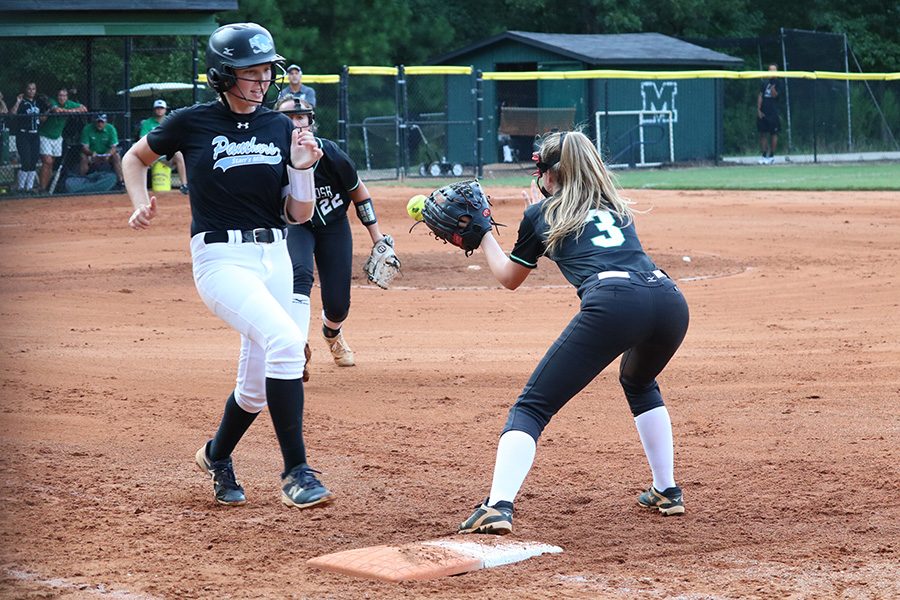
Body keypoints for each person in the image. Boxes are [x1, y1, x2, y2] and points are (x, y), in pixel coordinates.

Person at [122, 22, 333, 510]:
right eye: (249, 72)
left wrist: (302, 169)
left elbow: (299, 215)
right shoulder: (189, 122)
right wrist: (139, 200)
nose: (261, 82)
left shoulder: (280, 127)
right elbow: (135, 158)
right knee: (286, 343)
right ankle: (296, 473)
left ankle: (217, 455)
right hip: (220, 259)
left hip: (274, 254)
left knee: (257, 388)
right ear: (221, 76)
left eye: (265, 72)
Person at [456, 130, 690, 535]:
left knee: (531, 408)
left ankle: (497, 505)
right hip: (668, 299)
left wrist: (484, 234)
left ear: (548, 174)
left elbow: (510, 277)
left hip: (616, 302)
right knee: (638, 380)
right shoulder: (616, 207)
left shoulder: (541, 214)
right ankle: (666, 490)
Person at [275, 96, 397, 374]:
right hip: (296, 226)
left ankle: (332, 335)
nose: (295, 123)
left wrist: (377, 237)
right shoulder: (276, 157)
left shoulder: (332, 155)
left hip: (334, 227)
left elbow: (359, 195)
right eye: (288, 118)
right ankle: (295, 348)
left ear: (310, 122)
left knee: (338, 304)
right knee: (299, 275)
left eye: (300, 117)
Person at [38, 88, 87, 192]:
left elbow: (83, 109)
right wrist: (72, 111)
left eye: (64, 96)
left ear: (67, 97)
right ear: (57, 96)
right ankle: (41, 188)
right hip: (45, 135)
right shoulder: (52, 101)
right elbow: (57, 110)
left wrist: (71, 110)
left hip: (57, 137)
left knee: (51, 163)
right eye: (60, 95)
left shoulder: (69, 103)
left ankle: (46, 189)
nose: (62, 98)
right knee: (47, 161)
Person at [139, 99, 189, 194]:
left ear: (165, 110)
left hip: (166, 153)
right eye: (157, 108)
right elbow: (142, 139)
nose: (159, 110)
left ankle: (184, 185)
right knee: (140, 159)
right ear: (154, 110)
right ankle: (141, 188)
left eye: (161, 108)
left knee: (179, 155)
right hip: (152, 153)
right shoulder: (147, 123)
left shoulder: (170, 121)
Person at [10, 82, 43, 193]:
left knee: (33, 162)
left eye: (33, 89)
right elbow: (12, 114)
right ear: (26, 90)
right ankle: (21, 187)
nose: (31, 91)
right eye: (29, 89)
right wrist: (18, 102)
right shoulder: (22, 102)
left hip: (35, 134)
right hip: (24, 134)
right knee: (26, 161)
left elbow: (41, 118)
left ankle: (29, 187)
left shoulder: (37, 103)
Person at [80, 113, 124, 187]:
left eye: (102, 122)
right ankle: (81, 181)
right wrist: (91, 153)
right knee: (83, 157)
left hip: (107, 156)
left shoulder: (111, 128)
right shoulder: (87, 128)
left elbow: (114, 147)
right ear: (94, 122)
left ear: (105, 122)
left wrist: (108, 154)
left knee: (116, 156)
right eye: (98, 122)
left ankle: (121, 181)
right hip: (92, 155)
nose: (100, 124)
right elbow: (84, 147)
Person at [757, 63, 781, 165]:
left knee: (773, 134)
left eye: (773, 70)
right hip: (764, 112)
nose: (771, 72)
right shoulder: (764, 82)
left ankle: (771, 156)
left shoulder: (779, 82)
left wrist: (773, 90)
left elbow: (776, 96)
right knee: (762, 133)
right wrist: (758, 109)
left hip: (773, 113)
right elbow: (760, 95)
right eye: (770, 70)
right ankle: (764, 155)